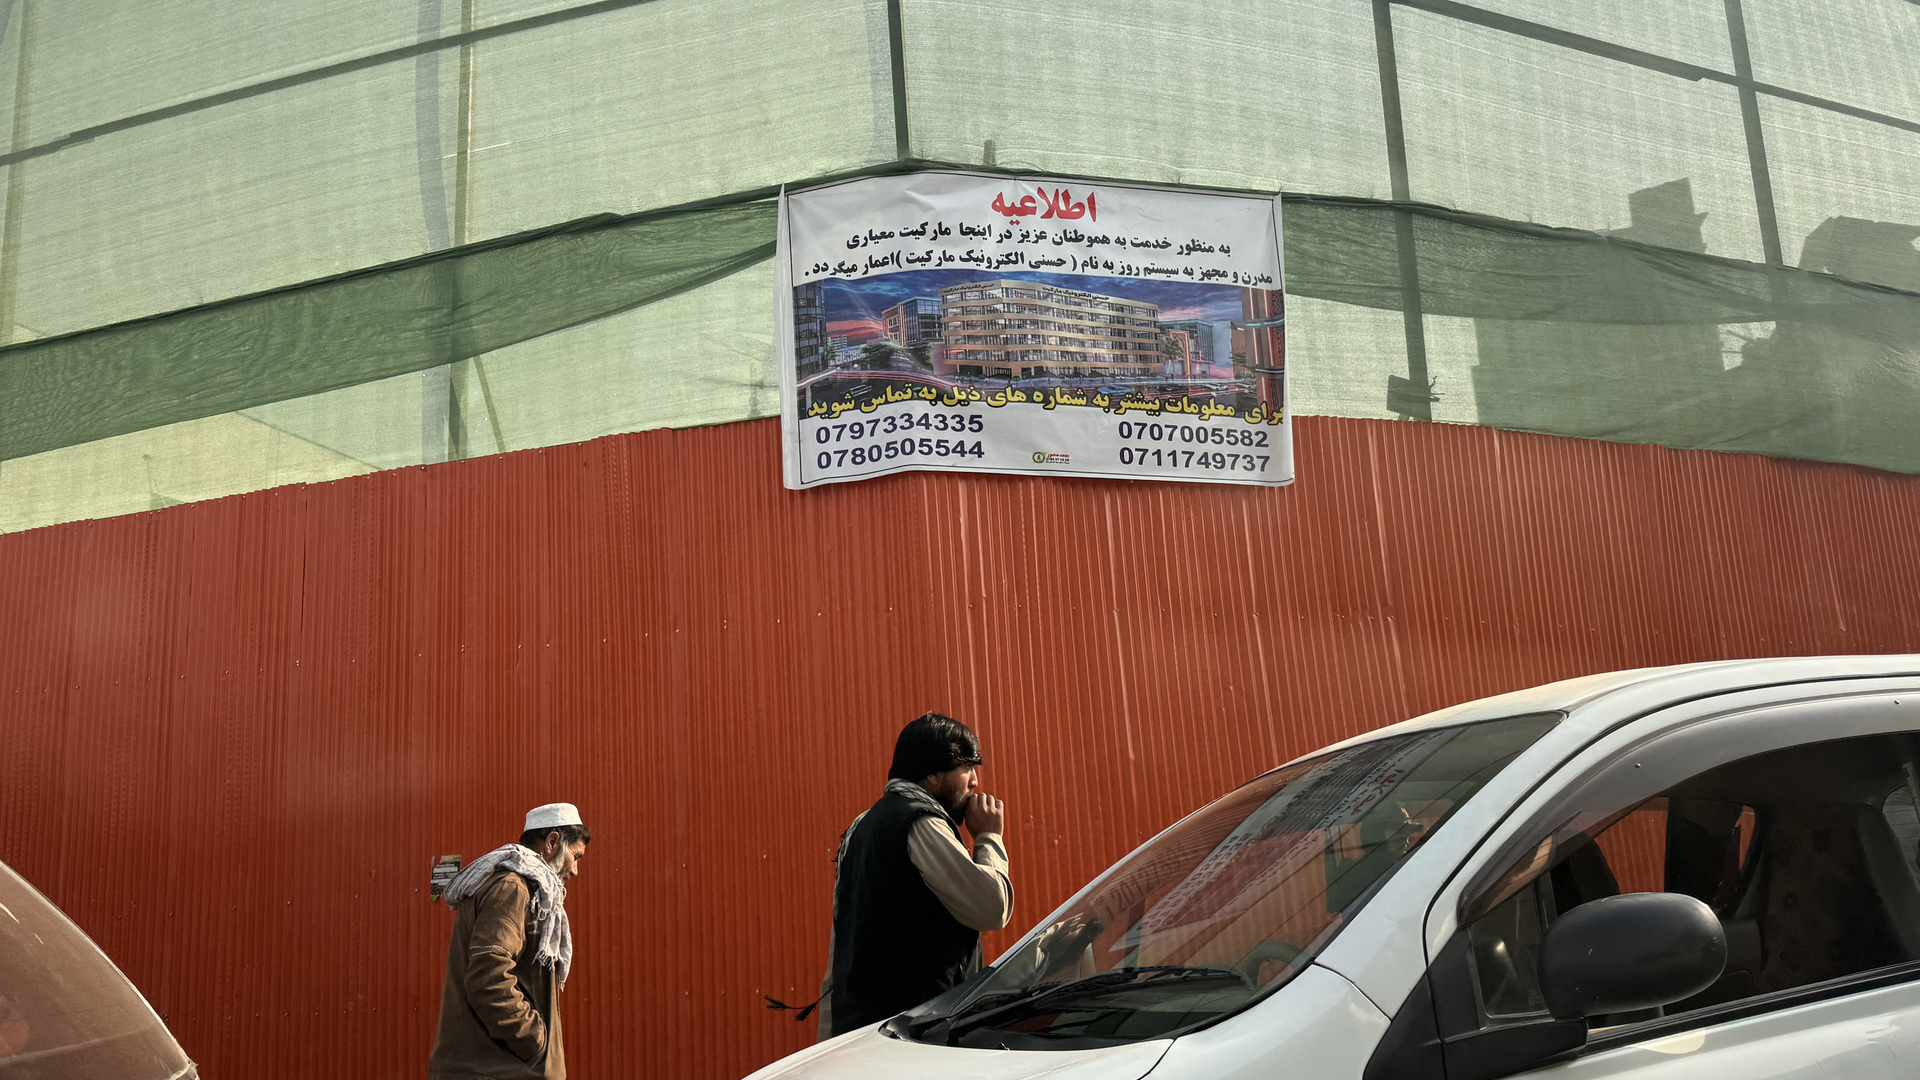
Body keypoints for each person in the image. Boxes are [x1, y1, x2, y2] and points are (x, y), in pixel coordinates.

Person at [820, 713, 1013, 1038]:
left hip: (861, 1036)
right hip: (916, 1037)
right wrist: (989, 837)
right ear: (933, 774)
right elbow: (992, 908)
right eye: (966, 767)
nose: (975, 781)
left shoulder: (862, 825)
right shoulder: (922, 823)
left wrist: (829, 1039)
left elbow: (843, 942)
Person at [429, 803, 590, 1080]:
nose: (574, 870)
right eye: (575, 856)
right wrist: (536, 1042)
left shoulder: (519, 886)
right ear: (553, 842)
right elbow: (488, 980)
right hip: (497, 1071)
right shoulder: (512, 887)